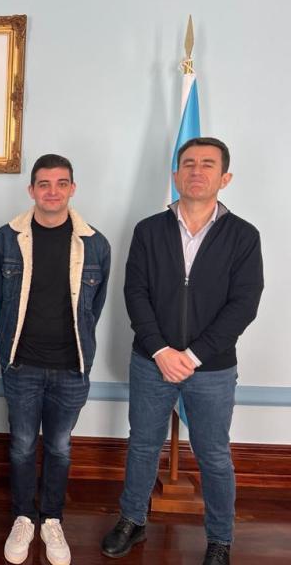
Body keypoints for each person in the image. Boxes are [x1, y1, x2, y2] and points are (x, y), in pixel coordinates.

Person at [101, 137, 263, 565]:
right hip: (152, 361)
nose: (196, 170)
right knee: (143, 445)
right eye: (188, 163)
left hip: (211, 369)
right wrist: (160, 351)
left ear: (224, 177)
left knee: (213, 454)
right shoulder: (148, 230)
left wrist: (191, 357)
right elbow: (135, 293)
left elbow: (244, 305)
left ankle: (220, 540)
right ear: (175, 175)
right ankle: (132, 521)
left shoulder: (244, 236)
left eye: (207, 164)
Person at [0, 154, 110, 565]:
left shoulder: (96, 244)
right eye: (44, 184)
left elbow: (94, 306)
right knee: (22, 446)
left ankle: (52, 518)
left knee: (59, 447)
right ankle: (23, 516)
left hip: (71, 367)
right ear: (31, 190)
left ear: (72, 188)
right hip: (22, 366)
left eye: (61, 184)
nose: (52, 191)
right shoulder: (6, 239)